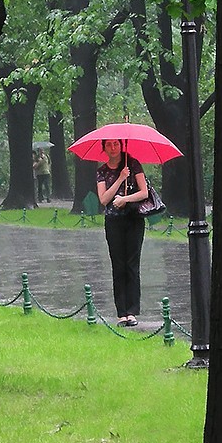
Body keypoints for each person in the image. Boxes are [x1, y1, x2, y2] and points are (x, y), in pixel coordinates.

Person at [95, 138, 148, 327]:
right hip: (113, 221)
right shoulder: (102, 171)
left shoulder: (133, 164)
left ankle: (132, 311)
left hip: (134, 220)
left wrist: (125, 199)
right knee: (118, 266)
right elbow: (103, 199)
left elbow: (144, 193)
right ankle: (122, 312)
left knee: (132, 265)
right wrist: (120, 179)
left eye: (116, 144)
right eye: (108, 144)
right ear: (104, 148)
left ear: (121, 145)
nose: (113, 147)